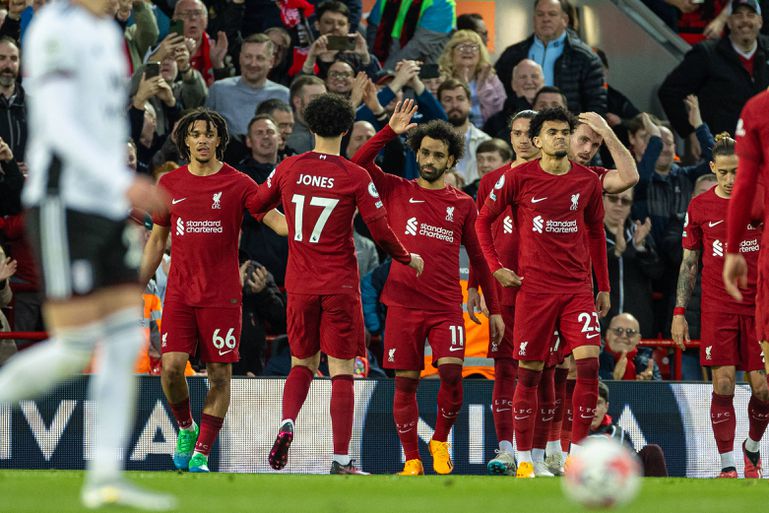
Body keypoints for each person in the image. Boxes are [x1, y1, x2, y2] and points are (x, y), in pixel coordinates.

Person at [0, 0, 175, 508]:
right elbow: (57, 124)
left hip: (102, 206)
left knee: (124, 339)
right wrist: (123, 180)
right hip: (65, 202)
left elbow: (99, 123)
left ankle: (104, 478)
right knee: (76, 344)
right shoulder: (57, 27)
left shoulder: (106, 35)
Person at [247, 93, 423, 474]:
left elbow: (257, 204)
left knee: (301, 363)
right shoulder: (354, 175)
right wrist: (407, 256)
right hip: (340, 285)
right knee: (342, 370)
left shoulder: (290, 166)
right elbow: (379, 231)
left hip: (299, 284)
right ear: (345, 129)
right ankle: (342, 459)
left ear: (310, 127)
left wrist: (287, 227)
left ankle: (287, 420)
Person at [352, 101, 503, 476]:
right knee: (405, 384)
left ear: (451, 160)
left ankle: (439, 440)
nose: (429, 159)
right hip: (402, 305)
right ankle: (412, 460)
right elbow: (357, 165)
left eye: (438, 154)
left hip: (444, 305)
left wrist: (488, 302)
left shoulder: (463, 204)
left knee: (451, 373)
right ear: (416, 153)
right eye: (424, 152)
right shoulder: (394, 188)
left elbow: (480, 257)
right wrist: (389, 131)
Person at [139, 108, 288, 474]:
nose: (203, 139)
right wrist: (136, 282)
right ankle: (187, 429)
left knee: (219, 376)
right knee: (172, 369)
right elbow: (158, 240)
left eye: (209, 133)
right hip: (180, 292)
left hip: (223, 295)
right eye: (195, 134)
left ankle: (202, 454)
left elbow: (276, 222)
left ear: (220, 139)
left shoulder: (238, 183)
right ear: (185, 140)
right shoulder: (170, 184)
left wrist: (313, 222)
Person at [476, 107, 610, 478]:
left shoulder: (586, 181)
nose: (560, 138)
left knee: (588, 364)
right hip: (534, 292)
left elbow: (597, 234)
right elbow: (482, 220)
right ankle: (523, 459)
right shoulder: (518, 179)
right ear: (537, 140)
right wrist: (495, 267)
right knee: (530, 374)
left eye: (565, 131)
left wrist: (605, 285)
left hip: (576, 290)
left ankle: (576, 455)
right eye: (552, 132)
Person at [676, 132, 769, 478]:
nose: (731, 180)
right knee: (725, 384)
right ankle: (729, 465)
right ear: (713, 168)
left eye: (738, 172)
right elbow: (688, 264)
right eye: (724, 172)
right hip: (718, 307)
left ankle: (753, 448)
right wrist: (679, 312)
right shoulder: (699, 207)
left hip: (759, 308)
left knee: (763, 389)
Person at [465, 110, 539, 476]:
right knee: (506, 369)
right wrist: (477, 285)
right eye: (517, 133)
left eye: (529, 133)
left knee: (543, 371)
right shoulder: (492, 181)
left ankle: (541, 451)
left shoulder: (559, 179)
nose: (523, 139)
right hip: (503, 290)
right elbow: (481, 238)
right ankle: (508, 449)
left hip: (545, 290)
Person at [658, 0, 768, 142]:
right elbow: (669, 92)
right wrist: (691, 132)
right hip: (722, 151)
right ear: (728, 22)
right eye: (738, 15)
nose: (745, 20)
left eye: (751, 15)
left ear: (760, 21)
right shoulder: (707, 54)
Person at [494, 0, 606, 114]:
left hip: (568, 128)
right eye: (540, 14)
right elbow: (497, 96)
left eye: (552, 14)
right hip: (520, 127)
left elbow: (596, 106)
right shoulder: (512, 54)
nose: (545, 19)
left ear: (565, 20)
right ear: (534, 19)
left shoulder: (586, 58)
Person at [206, 33, 290, 138]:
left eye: (259, 58)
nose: (253, 63)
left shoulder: (284, 95)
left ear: (271, 61)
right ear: (240, 58)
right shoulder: (218, 90)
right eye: (248, 57)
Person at [591, 381, 668, 476]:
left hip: (615, 479)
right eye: (588, 403)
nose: (593, 409)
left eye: (598, 403)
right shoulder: (570, 432)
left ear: (606, 407)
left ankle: (660, 490)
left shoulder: (618, 433)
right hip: (581, 477)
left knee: (652, 451)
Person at [437, 30, 505, 126]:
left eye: (473, 47)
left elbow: (500, 111)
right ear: (451, 53)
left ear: (480, 53)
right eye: (461, 47)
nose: (468, 51)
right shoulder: (441, 79)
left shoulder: (491, 79)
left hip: (488, 132)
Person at [437, 78, 490, 184]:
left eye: (460, 99)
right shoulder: (430, 144)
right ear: (439, 104)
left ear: (469, 103)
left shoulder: (485, 141)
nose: (455, 105)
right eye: (448, 100)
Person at [483, 59, 544, 141]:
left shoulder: (555, 111)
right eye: (523, 77)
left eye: (534, 76)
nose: (529, 82)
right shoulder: (496, 121)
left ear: (543, 82)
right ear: (513, 84)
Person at [599, 313, 661, 380]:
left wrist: (648, 386)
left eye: (630, 332)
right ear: (608, 334)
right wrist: (613, 378)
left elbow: (664, 390)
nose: (624, 336)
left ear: (638, 339)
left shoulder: (647, 363)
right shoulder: (594, 360)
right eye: (618, 331)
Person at [286, 75, 327, 154]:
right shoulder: (285, 132)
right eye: (315, 98)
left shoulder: (332, 129)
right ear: (297, 102)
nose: (322, 103)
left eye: (324, 98)